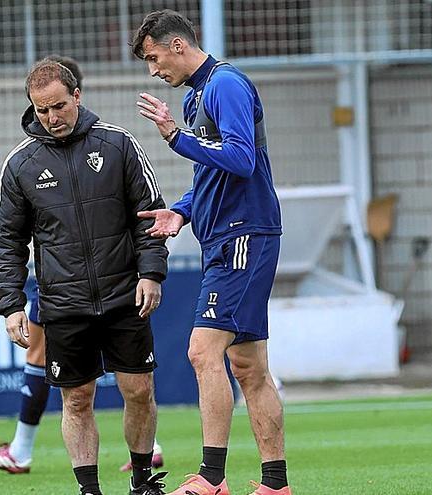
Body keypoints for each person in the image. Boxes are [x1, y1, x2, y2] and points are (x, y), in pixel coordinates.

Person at [0, 54, 165, 477]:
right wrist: (11, 304)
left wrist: (151, 273)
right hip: (63, 304)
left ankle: (142, 481)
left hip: (124, 295)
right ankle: (89, 490)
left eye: (59, 106)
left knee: (138, 390)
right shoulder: (20, 164)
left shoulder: (117, 144)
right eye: (41, 110)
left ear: (76, 96)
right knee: (77, 399)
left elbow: (150, 214)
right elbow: (5, 242)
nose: (51, 117)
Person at [131, 10, 290, 495]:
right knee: (248, 367)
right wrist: (181, 211)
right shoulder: (200, 94)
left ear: (178, 45)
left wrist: (176, 137)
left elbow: (241, 160)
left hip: (245, 234)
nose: (154, 71)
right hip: (223, 236)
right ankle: (275, 485)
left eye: (155, 58)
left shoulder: (225, 85)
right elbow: (212, 173)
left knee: (203, 353)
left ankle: (212, 479)